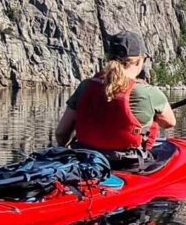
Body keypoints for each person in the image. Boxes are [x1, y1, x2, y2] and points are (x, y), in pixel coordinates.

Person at [56, 31, 176, 169]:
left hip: (85, 158)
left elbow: (61, 132)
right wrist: (151, 116)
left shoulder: (85, 86)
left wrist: (63, 150)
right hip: (126, 163)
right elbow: (169, 123)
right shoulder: (149, 93)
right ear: (139, 60)